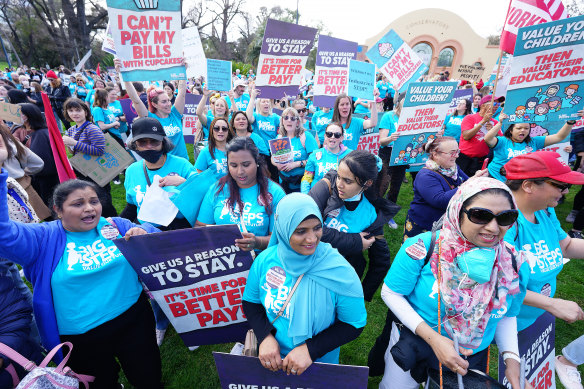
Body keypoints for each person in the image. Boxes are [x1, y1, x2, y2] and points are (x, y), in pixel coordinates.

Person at [0, 151, 163, 388]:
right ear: (58, 209)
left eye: (94, 201)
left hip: (134, 321)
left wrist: (145, 232)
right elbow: (3, 236)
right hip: (81, 339)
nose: (89, 209)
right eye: (78, 204)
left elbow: (159, 240)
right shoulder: (41, 239)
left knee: (148, 378)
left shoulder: (116, 225)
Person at [379, 177, 530, 389]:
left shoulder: (512, 262)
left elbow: (505, 315)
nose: (493, 227)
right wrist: (434, 340)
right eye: (480, 215)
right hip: (415, 343)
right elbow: (391, 293)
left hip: (470, 356)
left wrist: (511, 359)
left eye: (505, 217)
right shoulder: (424, 246)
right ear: (458, 211)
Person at [242, 192, 367, 374]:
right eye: (301, 231)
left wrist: (310, 350)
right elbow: (251, 302)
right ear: (283, 228)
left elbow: (353, 323)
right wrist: (265, 336)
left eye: (317, 228)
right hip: (272, 361)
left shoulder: (339, 270)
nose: (312, 239)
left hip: (318, 364)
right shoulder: (265, 261)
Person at [502, 152, 584, 333]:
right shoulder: (503, 224)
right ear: (528, 186)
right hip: (508, 321)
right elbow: (502, 284)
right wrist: (552, 304)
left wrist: (549, 305)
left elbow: (566, 246)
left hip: (536, 313)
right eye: (561, 186)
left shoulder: (544, 210)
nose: (566, 192)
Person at [308, 149, 398, 301]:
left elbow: (381, 260)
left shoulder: (370, 213)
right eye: (338, 176)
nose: (339, 184)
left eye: (347, 181)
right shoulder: (327, 186)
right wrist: (355, 241)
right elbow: (307, 229)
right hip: (311, 270)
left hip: (342, 279)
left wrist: (362, 294)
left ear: (367, 183)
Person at [196, 137, 285, 252]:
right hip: (222, 260)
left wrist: (257, 242)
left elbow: (279, 239)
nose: (240, 171)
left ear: (257, 162)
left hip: (259, 261)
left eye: (246, 165)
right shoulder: (218, 189)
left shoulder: (275, 193)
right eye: (233, 165)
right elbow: (200, 227)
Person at [121, 116, 195, 231]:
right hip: (147, 233)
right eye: (142, 142)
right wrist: (114, 223)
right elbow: (131, 206)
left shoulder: (182, 165)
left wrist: (183, 183)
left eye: (154, 141)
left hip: (180, 231)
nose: (149, 146)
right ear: (135, 144)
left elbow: (203, 197)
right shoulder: (132, 171)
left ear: (163, 141)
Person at [117, 59, 189, 161]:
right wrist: (124, 75)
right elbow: (136, 100)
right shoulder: (150, 119)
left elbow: (181, 93)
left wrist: (183, 71)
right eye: (164, 102)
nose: (169, 104)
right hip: (163, 164)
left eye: (169, 100)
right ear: (154, 104)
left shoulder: (175, 114)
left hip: (183, 162)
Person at [404, 136, 470, 240]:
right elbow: (440, 200)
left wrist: (477, 179)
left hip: (444, 223)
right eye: (452, 153)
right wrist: (468, 185)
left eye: (458, 151)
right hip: (424, 225)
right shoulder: (425, 175)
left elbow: (466, 180)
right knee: (419, 254)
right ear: (435, 154)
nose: (457, 156)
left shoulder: (453, 168)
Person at [485, 112, 582, 181]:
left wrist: (570, 123)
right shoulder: (503, 141)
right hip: (496, 178)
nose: (523, 130)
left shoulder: (534, 141)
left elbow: (559, 137)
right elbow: (488, 139)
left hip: (518, 181)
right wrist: (501, 123)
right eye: (519, 128)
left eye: (526, 128)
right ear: (511, 130)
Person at [62, 97, 117, 218]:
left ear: (85, 112)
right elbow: (75, 152)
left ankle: (114, 223)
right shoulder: (71, 130)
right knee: (92, 199)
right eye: (70, 110)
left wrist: (74, 143)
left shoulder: (92, 128)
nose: (74, 113)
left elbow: (99, 150)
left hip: (98, 170)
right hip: (84, 170)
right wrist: (70, 146)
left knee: (103, 201)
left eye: (78, 110)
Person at [13, 103, 58, 207]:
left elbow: (43, 162)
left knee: (49, 206)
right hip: (37, 176)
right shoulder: (22, 130)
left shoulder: (40, 134)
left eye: (19, 114)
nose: (16, 116)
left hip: (44, 179)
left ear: (29, 116)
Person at [271, 107, 318, 193]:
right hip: (284, 183)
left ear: (297, 122)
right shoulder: (279, 137)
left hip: (303, 185)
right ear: (282, 121)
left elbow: (316, 159)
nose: (289, 120)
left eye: (293, 118)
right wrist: (277, 164)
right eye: (286, 118)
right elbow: (273, 157)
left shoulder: (306, 136)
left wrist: (296, 164)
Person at [458, 95, 503, 176]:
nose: (496, 107)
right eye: (494, 104)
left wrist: (493, 131)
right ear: (482, 105)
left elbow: (501, 142)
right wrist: (483, 122)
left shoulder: (495, 123)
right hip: (464, 159)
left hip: (481, 160)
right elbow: (466, 136)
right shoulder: (470, 118)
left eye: (498, 105)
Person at [300, 122, 351, 194]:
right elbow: (307, 178)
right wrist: (306, 197)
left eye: (337, 135)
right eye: (329, 134)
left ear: (342, 138)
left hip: (339, 198)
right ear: (325, 136)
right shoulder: (314, 155)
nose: (332, 137)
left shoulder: (350, 155)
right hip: (317, 197)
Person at [246, 86, 281, 178]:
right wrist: (253, 98)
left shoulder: (275, 117)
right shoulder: (256, 116)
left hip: (273, 152)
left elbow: (285, 125)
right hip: (259, 152)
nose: (266, 103)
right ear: (259, 104)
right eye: (263, 101)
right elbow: (248, 118)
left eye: (267, 101)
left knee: (273, 177)